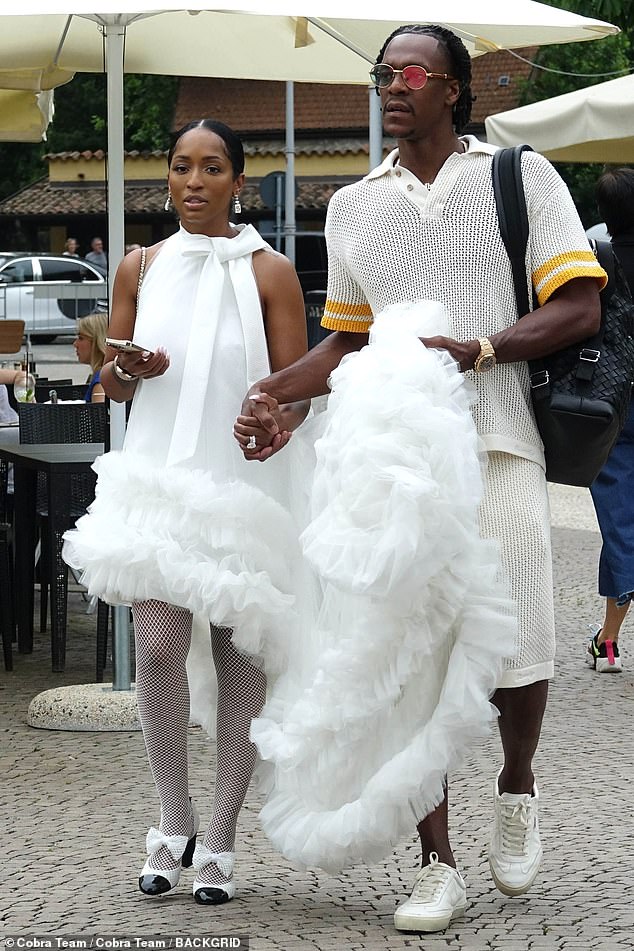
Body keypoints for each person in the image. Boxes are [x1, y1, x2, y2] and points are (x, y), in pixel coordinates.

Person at [238, 23, 606, 934]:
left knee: (520, 641)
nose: (390, 85)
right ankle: (436, 861)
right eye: (382, 73)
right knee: (410, 661)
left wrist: (479, 349)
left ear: (454, 89)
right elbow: (347, 337)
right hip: (391, 461)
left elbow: (579, 303)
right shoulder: (355, 205)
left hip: (501, 442)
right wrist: (276, 393)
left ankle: (516, 782)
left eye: (409, 72)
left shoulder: (519, 177)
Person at [62, 118, 309, 905]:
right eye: (180, 167)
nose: (193, 181)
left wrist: (278, 418)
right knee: (161, 648)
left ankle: (223, 838)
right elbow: (117, 387)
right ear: (165, 179)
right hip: (160, 486)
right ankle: (174, 818)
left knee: (242, 658)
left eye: (211, 168)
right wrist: (127, 366)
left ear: (239, 181)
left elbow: (300, 390)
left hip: (244, 488)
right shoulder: (139, 266)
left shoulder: (272, 273)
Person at [586, 167, 634, 673]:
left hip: (611, 403)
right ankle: (608, 641)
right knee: (622, 529)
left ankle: (610, 641)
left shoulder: (597, 263)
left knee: (621, 521)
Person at [73, 312, 108, 403]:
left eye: (81, 338)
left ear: (97, 341)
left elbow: (100, 416)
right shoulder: (102, 376)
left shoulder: (101, 382)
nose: (75, 344)